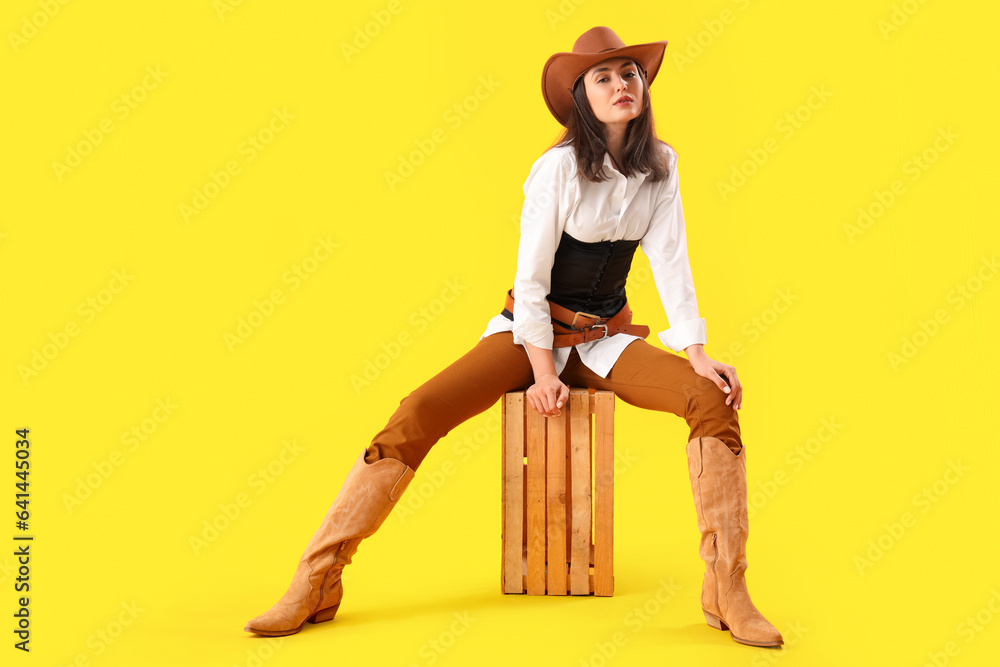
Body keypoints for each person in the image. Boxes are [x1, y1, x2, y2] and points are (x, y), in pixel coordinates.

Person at [244, 26, 784, 648]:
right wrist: (544, 370)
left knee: (711, 397)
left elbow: (672, 261)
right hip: (528, 334)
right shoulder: (555, 169)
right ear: (582, 97)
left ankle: (728, 588)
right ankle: (316, 579)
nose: (620, 85)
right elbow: (529, 281)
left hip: (606, 339)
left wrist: (695, 351)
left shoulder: (662, 166)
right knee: (417, 411)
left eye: (629, 74)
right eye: (603, 78)